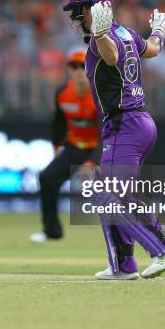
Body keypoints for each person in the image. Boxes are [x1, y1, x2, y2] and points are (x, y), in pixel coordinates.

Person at [62, 0, 165, 280]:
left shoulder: (100, 39)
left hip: (124, 125)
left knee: (107, 195)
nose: (75, 19)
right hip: (139, 123)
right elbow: (152, 49)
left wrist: (100, 34)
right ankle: (123, 265)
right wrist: (158, 31)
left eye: (78, 11)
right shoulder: (128, 33)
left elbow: (111, 57)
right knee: (111, 192)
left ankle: (163, 248)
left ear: (91, 10)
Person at [30, 51, 100, 244]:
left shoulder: (99, 94)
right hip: (74, 147)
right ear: (69, 70)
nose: (78, 71)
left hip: (100, 148)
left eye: (82, 66)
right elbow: (59, 123)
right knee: (46, 178)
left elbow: (107, 129)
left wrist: (91, 161)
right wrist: (57, 147)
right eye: (74, 67)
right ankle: (52, 231)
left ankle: (130, 235)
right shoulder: (62, 93)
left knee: (115, 190)